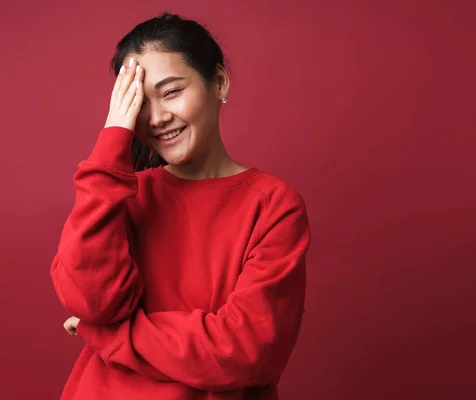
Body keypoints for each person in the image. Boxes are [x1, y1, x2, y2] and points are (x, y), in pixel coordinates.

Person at [50, 12, 310, 400]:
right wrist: (111, 144)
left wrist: (108, 335)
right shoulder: (119, 196)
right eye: (140, 103)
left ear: (218, 81)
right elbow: (88, 302)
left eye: (171, 92)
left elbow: (244, 352)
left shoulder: (273, 204)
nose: (157, 118)